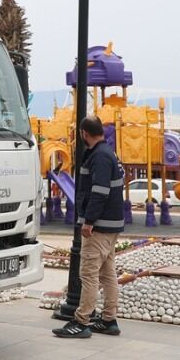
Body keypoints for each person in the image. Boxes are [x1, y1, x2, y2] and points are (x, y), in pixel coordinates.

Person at [54, 115, 125, 339]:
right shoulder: (107, 152)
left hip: (99, 226)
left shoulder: (99, 156)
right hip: (111, 225)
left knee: (89, 274)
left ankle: (81, 321)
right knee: (107, 274)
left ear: (84, 133)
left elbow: (99, 191)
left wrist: (89, 221)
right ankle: (109, 320)